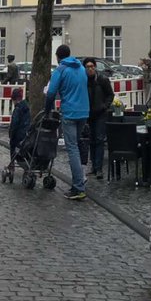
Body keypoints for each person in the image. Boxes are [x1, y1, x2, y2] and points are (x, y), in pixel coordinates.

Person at [45, 44, 89, 200]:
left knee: (72, 149)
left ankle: (78, 187)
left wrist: (47, 110)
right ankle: (80, 180)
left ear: (58, 57)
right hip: (84, 112)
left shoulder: (61, 70)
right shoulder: (81, 68)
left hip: (70, 112)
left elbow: (51, 92)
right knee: (76, 145)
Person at [83, 57, 113, 179]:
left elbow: (110, 94)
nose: (90, 69)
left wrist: (105, 106)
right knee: (91, 140)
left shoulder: (102, 80)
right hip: (88, 114)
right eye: (87, 67)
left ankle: (99, 168)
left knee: (99, 140)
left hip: (101, 114)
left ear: (95, 67)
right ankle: (93, 167)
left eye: (92, 66)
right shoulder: (84, 80)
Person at [9, 87, 31, 158]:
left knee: (12, 145)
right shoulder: (26, 107)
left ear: (14, 99)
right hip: (26, 134)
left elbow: (14, 124)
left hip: (18, 135)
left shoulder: (17, 109)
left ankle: (12, 162)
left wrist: (11, 134)